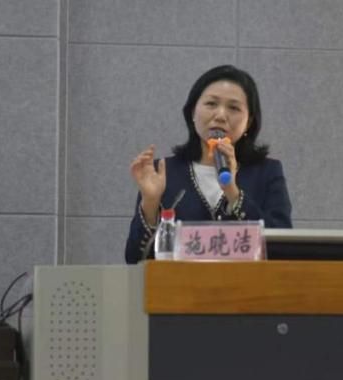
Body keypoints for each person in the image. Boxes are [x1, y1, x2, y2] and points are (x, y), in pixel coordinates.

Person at [124, 64, 293, 263]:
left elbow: (282, 250)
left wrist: (232, 192)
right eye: (211, 104)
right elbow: (134, 259)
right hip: (180, 283)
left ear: (248, 122)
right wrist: (150, 203)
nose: (220, 115)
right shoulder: (162, 172)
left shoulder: (267, 172)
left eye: (233, 108)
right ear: (192, 113)